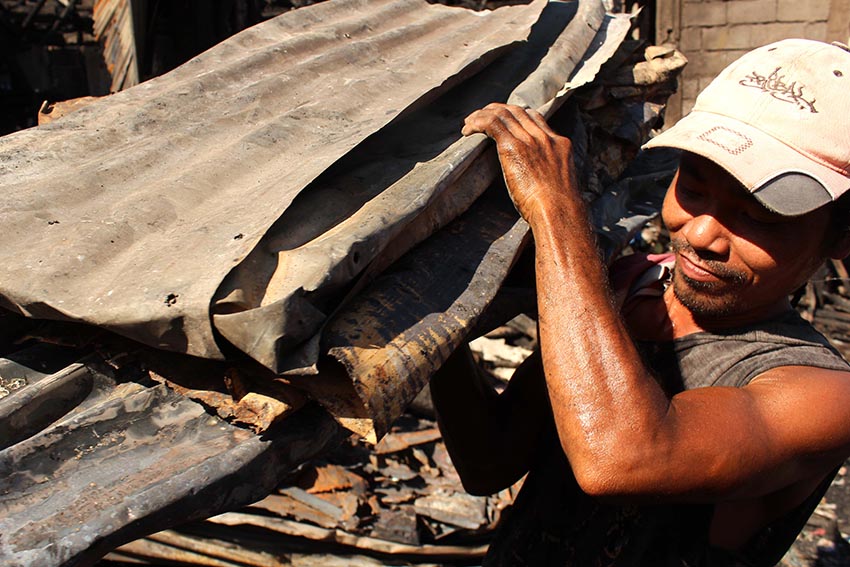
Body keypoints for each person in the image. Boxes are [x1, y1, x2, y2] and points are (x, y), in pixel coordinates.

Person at [430, 38, 850, 566]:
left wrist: (558, 209)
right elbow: (489, 462)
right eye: (693, 190)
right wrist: (432, 322)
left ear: (841, 237)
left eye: (760, 218)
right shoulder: (625, 293)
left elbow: (621, 458)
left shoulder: (824, 396)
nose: (700, 234)